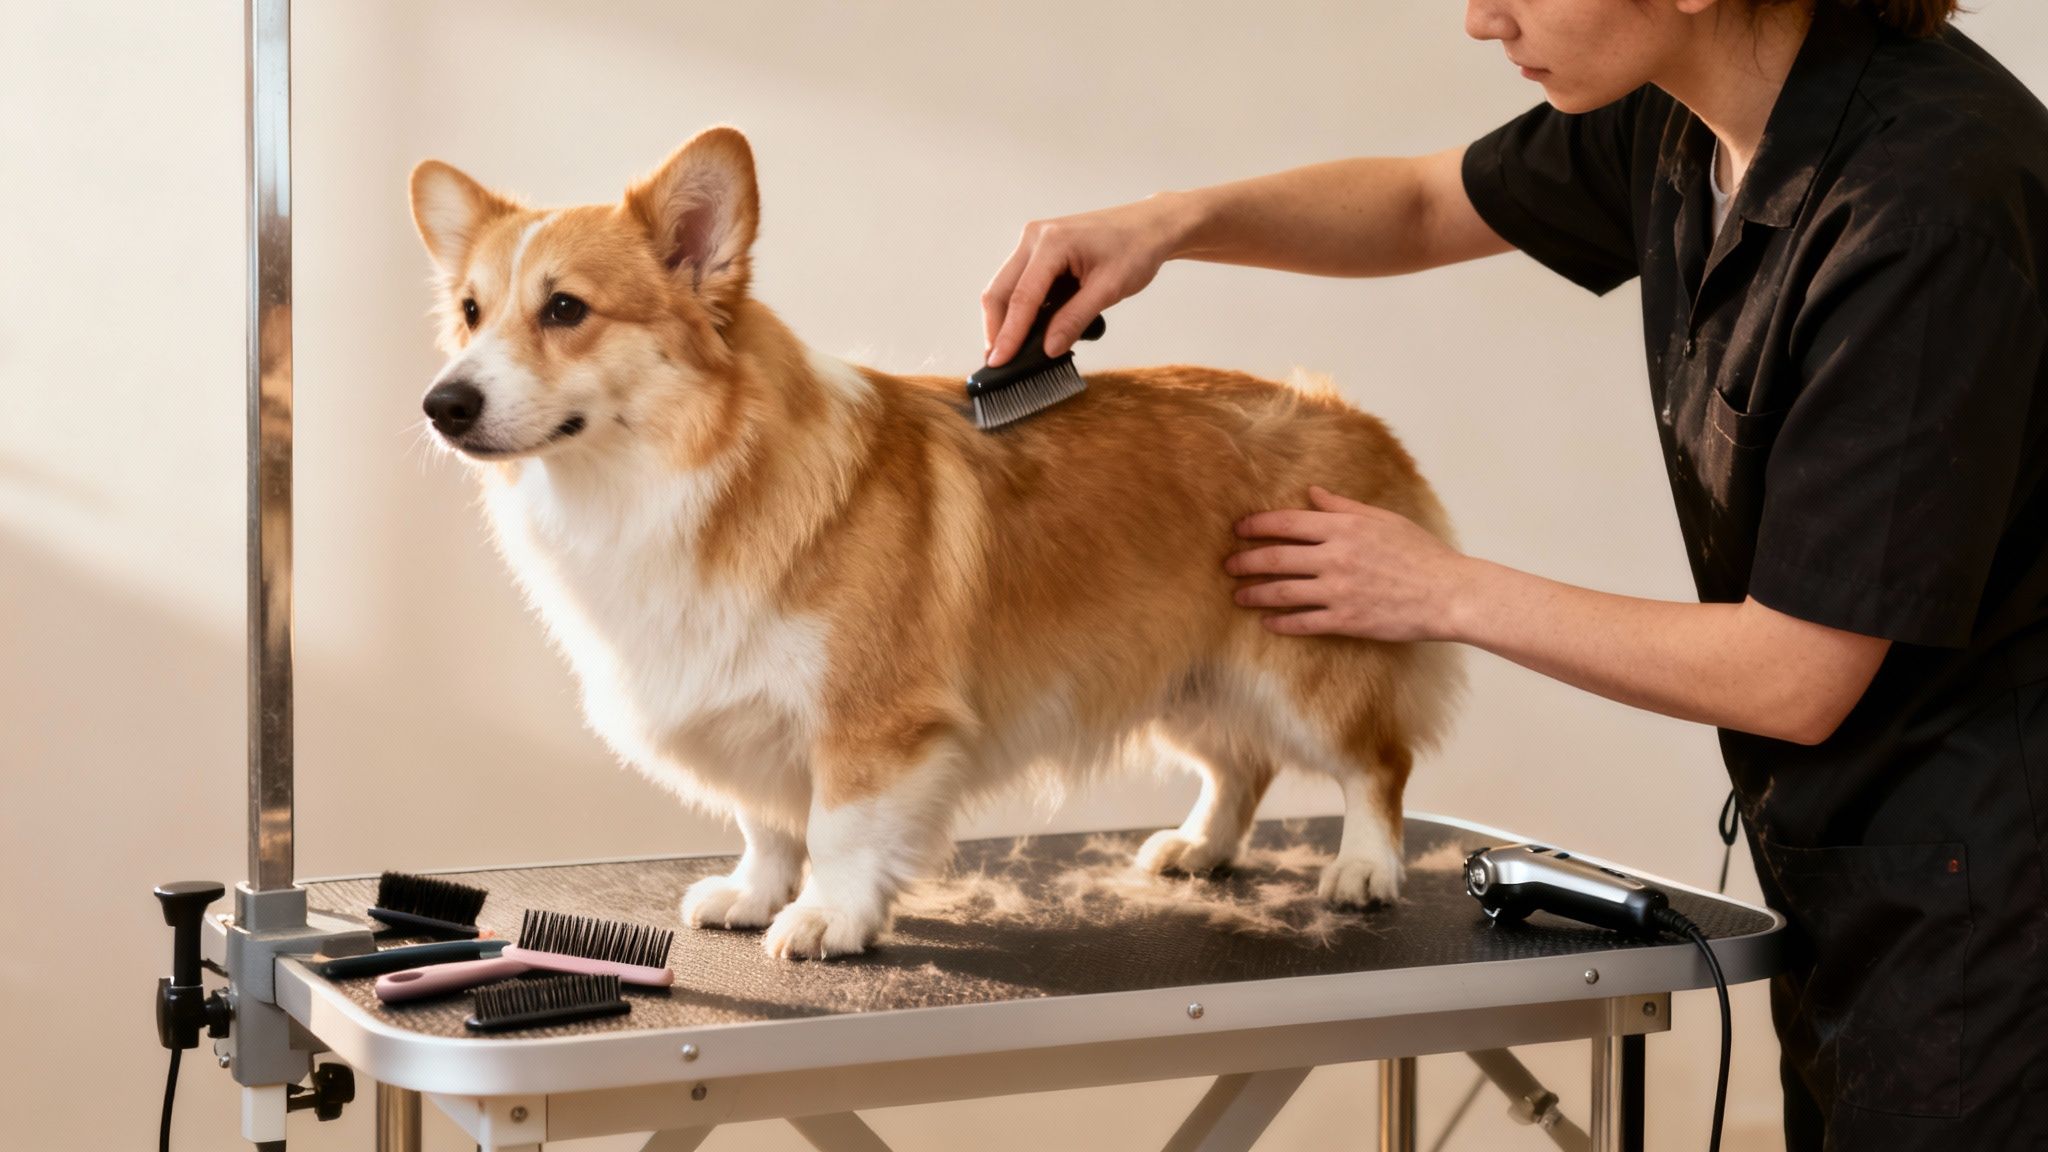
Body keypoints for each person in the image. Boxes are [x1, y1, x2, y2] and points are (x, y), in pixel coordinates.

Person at [979, 1, 2048, 1147]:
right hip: (1856, 869)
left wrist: (1438, 589)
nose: (1481, 17)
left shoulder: (1925, 212)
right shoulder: (1691, 117)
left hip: (1989, 913)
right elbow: (1422, 203)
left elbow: (1797, 671)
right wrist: (1167, 224)